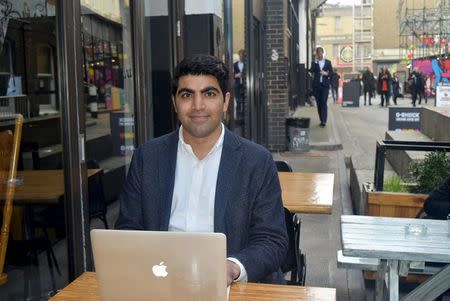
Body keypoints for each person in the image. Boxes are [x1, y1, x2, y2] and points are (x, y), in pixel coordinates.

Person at [115, 54, 288, 285]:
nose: (198, 106)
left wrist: (232, 267)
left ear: (226, 102)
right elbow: (128, 229)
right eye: (187, 95)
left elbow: (272, 239)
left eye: (209, 94)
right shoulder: (147, 158)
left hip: (232, 288)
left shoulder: (256, 161)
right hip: (163, 283)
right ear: (174, 102)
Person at [310, 46, 333, 127]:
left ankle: (324, 121)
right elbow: (311, 70)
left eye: (320, 53)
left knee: (323, 102)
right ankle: (321, 119)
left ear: (323, 53)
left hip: (325, 86)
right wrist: (315, 61)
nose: (319, 54)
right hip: (316, 86)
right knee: (319, 103)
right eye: (318, 53)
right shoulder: (315, 62)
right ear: (316, 54)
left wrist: (326, 73)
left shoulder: (328, 62)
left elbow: (332, 73)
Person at [233, 49, 246, 122]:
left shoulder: (246, 64)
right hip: (237, 85)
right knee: (238, 101)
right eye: (240, 55)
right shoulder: (235, 64)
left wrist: (243, 75)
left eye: (242, 55)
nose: (241, 56)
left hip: (244, 85)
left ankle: (244, 116)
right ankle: (238, 117)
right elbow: (232, 75)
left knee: (244, 101)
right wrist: (236, 75)